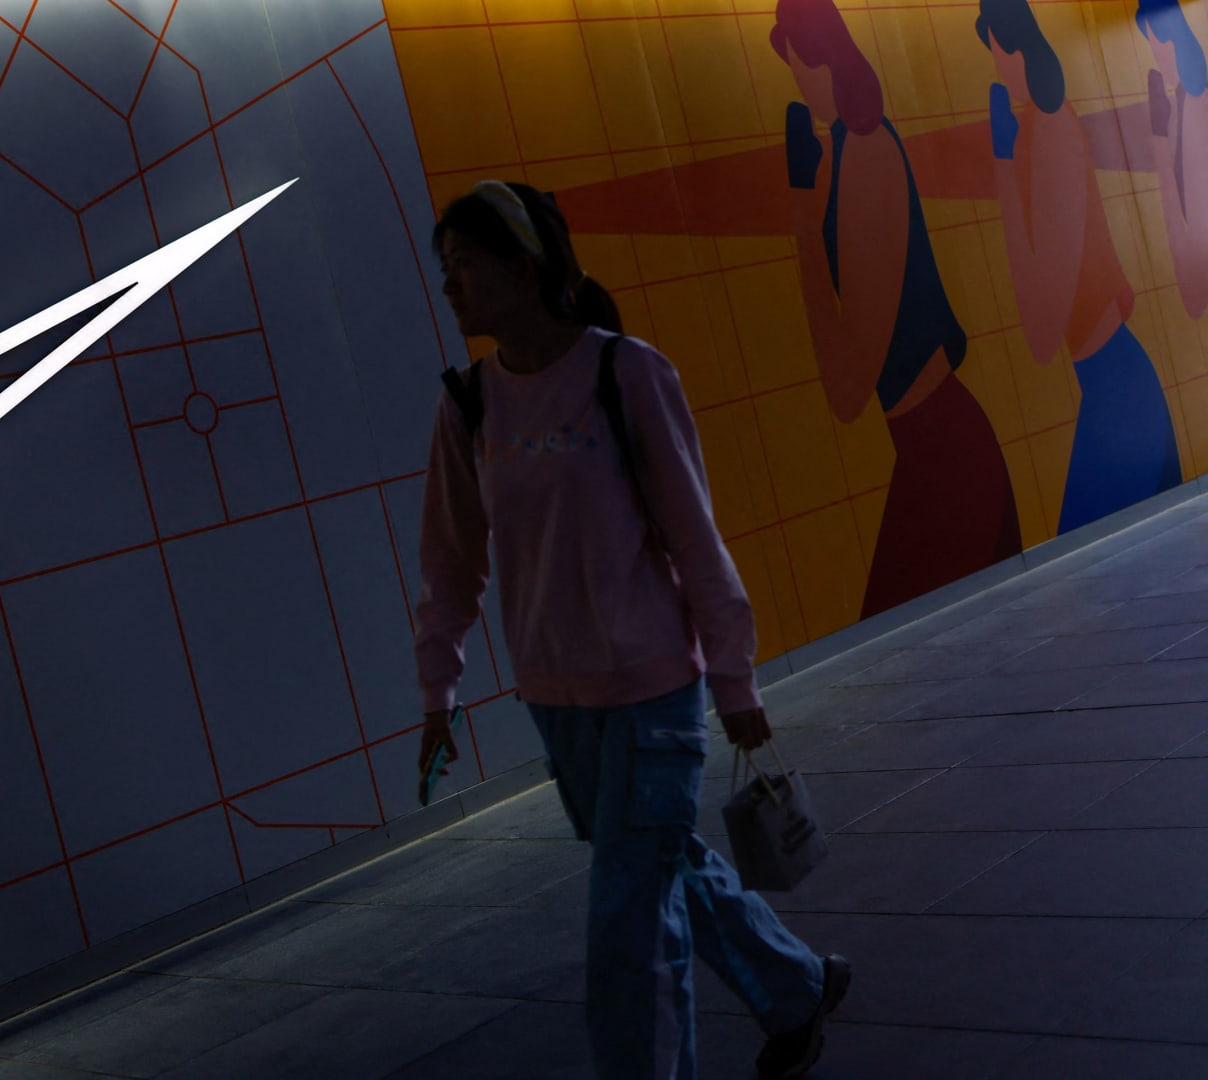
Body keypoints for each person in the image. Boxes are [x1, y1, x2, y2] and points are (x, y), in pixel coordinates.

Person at [411, 179, 849, 1080]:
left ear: (524, 268)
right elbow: (451, 563)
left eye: (465, 264)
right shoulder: (468, 405)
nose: (449, 285)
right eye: (444, 268)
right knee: (657, 866)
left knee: (627, 922)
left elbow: (694, 537)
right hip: (557, 700)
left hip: (654, 692)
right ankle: (797, 989)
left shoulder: (626, 374)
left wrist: (734, 679)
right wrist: (437, 689)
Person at [773, 0, 1021, 618]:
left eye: (796, 65)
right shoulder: (851, 150)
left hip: (946, 456)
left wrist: (804, 229)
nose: (798, 83)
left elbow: (848, 391)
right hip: (937, 451)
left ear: (820, 58)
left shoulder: (864, 153)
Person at [978, 0, 1183, 532]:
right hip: (1117, 385)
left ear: (1016, 48)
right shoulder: (1045, 124)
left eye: (996, 52)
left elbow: (1042, 334)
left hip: (1120, 395)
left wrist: (1003, 170)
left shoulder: (1049, 132)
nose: (996, 66)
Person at [1137, 0, 1208, 317]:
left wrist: (1159, 138)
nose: (1156, 52)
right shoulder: (1182, 105)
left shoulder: (1196, 106)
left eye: (1159, 42)